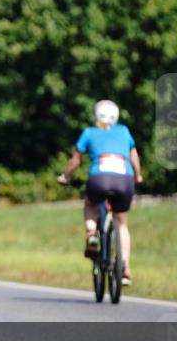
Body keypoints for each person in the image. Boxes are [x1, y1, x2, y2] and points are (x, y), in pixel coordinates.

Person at [58, 99, 143, 286]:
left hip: (99, 180)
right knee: (122, 223)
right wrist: (138, 176)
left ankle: (91, 235)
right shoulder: (124, 131)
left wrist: (66, 176)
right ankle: (125, 269)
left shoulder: (89, 132)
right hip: (124, 181)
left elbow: (75, 160)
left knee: (90, 204)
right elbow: (133, 156)